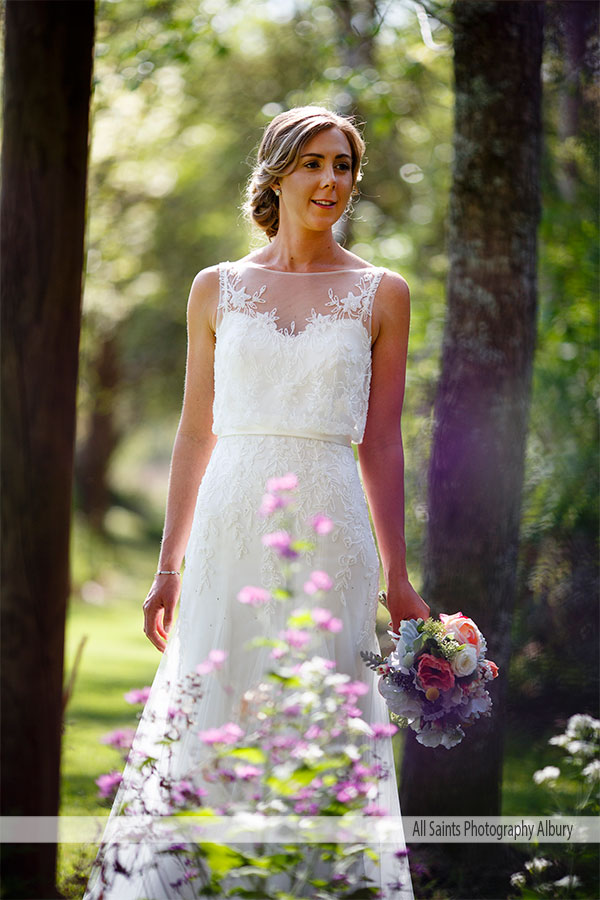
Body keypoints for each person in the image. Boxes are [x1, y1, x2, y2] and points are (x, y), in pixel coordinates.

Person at [84, 105, 429, 900]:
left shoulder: (383, 293)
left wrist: (397, 578)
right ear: (276, 173)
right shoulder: (217, 288)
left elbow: (381, 442)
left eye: (343, 165)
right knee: (217, 701)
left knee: (324, 708)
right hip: (230, 521)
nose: (330, 181)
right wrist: (167, 566)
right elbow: (194, 434)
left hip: (329, 522)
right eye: (312, 162)